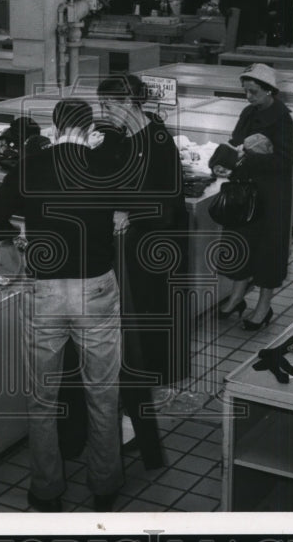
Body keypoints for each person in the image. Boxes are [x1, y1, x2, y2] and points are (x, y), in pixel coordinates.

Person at [0, 98, 123, 513]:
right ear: (90, 128)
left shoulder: (31, 165)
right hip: (96, 288)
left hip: (45, 290)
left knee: (42, 398)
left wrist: (22, 249)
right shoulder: (107, 164)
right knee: (103, 393)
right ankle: (105, 486)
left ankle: (46, 491)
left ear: (53, 127)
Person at [94, 74, 190, 470]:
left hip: (149, 254)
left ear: (131, 103)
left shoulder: (158, 142)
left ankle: (135, 419)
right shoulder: (120, 137)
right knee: (127, 338)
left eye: (109, 106)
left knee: (139, 337)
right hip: (125, 251)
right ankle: (129, 416)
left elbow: (165, 204)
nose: (104, 114)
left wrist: (127, 211)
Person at [211, 63, 293, 330]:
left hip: (271, 196)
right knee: (241, 245)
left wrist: (247, 158)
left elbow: (285, 160)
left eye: (254, 92)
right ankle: (237, 297)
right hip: (244, 192)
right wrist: (220, 160)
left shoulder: (282, 118)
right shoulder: (249, 112)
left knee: (268, 251)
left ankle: (263, 306)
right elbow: (235, 141)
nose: (248, 97)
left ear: (270, 91)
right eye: (245, 92)